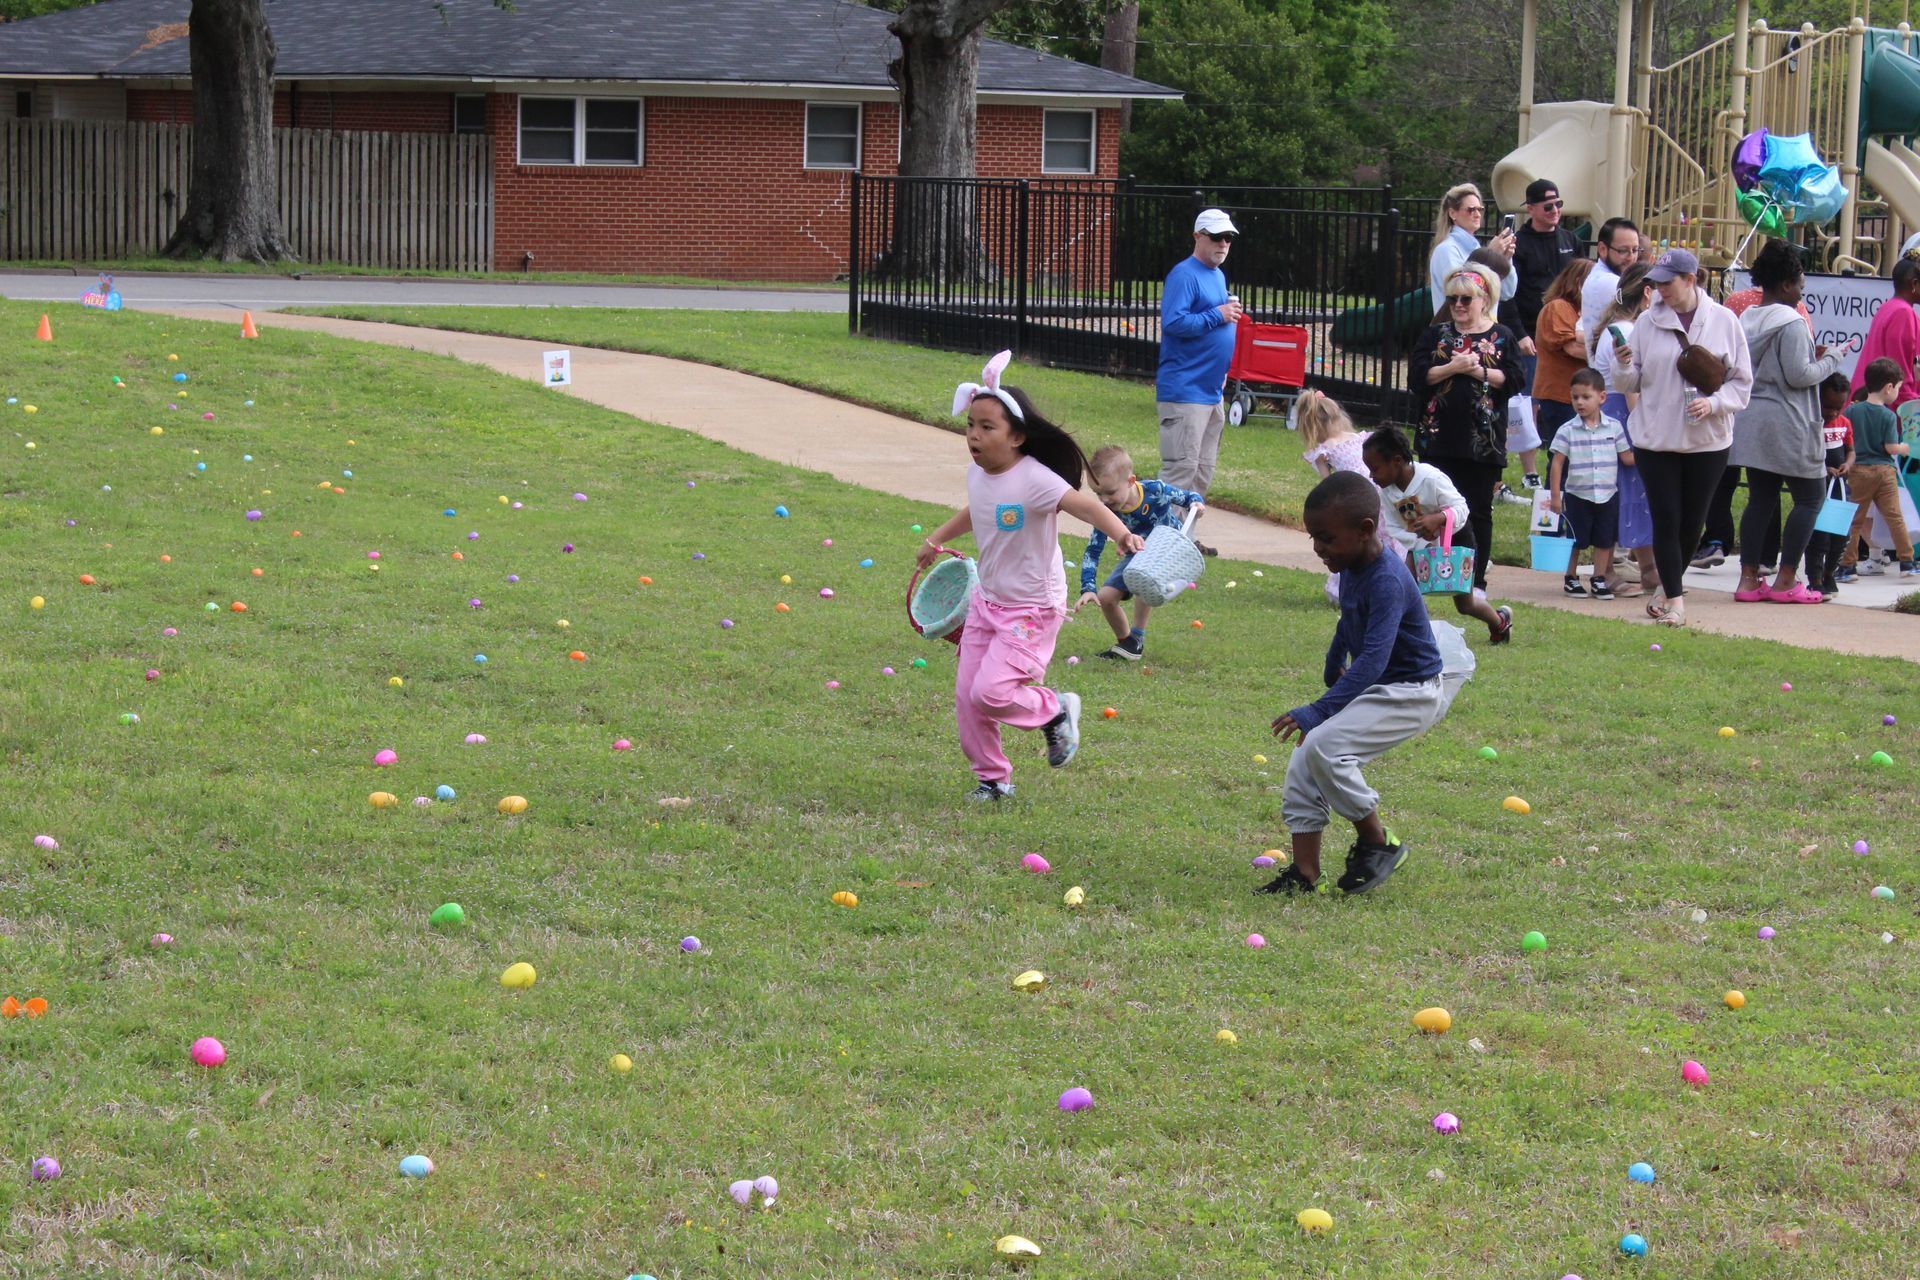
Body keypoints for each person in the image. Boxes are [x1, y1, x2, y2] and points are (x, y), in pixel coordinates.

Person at [916, 351, 1144, 802]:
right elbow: (977, 511)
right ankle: (994, 780)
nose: (974, 436)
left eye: (987, 427)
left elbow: (1086, 505)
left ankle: (1055, 709)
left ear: (1018, 436)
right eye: (970, 425)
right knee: (968, 698)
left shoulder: (1036, 480)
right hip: (988, 600)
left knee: (992, 692)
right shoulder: (979, 473)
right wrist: (936, 539)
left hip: (1031, 608)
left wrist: (1121, 533)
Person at [1260, 471, 1460, 897]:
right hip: (1382, 686)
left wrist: (1318, 709)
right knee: (1303, 761)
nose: (1318, 548)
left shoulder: (1386, 578)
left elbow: (1373, 659)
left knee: (1324, 748)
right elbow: (1350, 619)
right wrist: (1335, 658)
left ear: (1365, 529)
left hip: (1411, 691)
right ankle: (1304, 874)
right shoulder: (1352, 564)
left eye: (1326, 538)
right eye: (1313, 536)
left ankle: (1377, 841)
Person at [1610, 248, 1753, 628]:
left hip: (1708, 441)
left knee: (1693, 522)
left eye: (1667, 282)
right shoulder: (1645, 322)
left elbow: (1741, 383)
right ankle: (1675, 599)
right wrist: (1622, 362)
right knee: (1666, 518)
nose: (1660, 290)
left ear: (1690, 279)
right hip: (1655, 438)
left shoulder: (1725, 321)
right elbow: (1629, 380)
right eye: (1655, 283)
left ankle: (1667, 587)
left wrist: (1716, 404)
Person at [1729, 238, 1849, 604]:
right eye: (1800, 284)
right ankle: (1786, 580)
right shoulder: (1792, 321)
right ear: (1785, 285)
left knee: (1761, 498)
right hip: (1791, 421)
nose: (1801, 291)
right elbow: (1800, 375)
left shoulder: (1747, 318)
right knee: (1810, 498)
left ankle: (1748, 580)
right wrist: (1833, 359)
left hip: (1753, 419)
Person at [1408, 265, 1526, 599]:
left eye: (1465, 298)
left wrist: (1481, 373)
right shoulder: (1436, 334)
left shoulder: (1501, 336)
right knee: (1430, 507)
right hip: (1437, 437)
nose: (1458, 305)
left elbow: (1515, 380)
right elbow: (1417, 378)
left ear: (1484, 298)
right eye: (1452, 299)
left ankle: (1475, 583)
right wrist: (1452, 367)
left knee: (1477, 510)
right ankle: (1429, 574)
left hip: (1482, 442)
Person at [1363, 424, 1514, 642]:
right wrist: (1421, 537)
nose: (1371, 475)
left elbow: (1462, 508)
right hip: (1418, 547)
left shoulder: (1430, 478)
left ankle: (1499, 621)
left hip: (1458, 541)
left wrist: (1439, 519)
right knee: (1406, 589)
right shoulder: (1387, 493)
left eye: (1375, 469)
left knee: (1465, 604)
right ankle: (1410, 637)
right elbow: (1395, 527)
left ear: (1396, 461)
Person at [1157, 207, 1241, 556]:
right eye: (1216, 237)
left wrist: (1226, 311)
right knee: (1180, 470)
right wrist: (1218, 314)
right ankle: (1161, 542)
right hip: (1184, 391)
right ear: (1198, 237)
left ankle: (1185, 538)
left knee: (1202, 472)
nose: (1223, 244)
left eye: (1229, 238)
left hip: (1210, 392)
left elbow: (1211, 320)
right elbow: (1174, 323)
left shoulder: (1216, 276)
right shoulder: (1184, 275)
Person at [1076, 445, 1204, 661]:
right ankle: (1128, 644)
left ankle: (1138, 634)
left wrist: (1197, 505)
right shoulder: (1106, 513)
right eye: (1098, 494)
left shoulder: (1156, 491)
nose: (1104, 500)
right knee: (1106, 598)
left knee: (1146, 579)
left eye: (1110, 492)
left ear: (1131, 481)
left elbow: (1189, 496)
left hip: (1168, 551)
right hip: (1138, 554)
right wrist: (1087, 587)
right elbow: (1093, 549)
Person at [1588, 262, 1658, 596]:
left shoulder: (1614, 327)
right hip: (1624, 418)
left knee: (1632, 495)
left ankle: (1648, 569)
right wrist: (1644, 426)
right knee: (1626, 495)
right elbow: (1631, 388)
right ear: (1647, 293)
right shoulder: (1629, 332)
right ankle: (1610, 571)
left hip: (1612, 416)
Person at [1549, 369, 1635, 599]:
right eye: (1575, 397)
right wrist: (1556, 496)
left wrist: (1650, 452)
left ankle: (1599, 579)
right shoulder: (1567, 430)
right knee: (1576, 540)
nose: (1579, 402)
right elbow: (1557, 463)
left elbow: (1627, 457)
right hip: (1578, 495)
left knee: (1605, 540)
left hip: (1607, 494)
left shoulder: (1614, 427)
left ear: (1602, 397)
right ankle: (1571, 577)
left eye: (1586, 397)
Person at [1834, 357, 1917, 581]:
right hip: (1885, 471)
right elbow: (1889, 447)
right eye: (1898, 388)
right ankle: (1907, 562)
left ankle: (1847, 566)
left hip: (1859, 471)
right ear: (1889, 387)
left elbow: (1845, 439)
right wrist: (1904, 448)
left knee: (1854, 520)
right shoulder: (1888, 415)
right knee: (1895, 517)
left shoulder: (1852, 412)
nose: (1898, 393)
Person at [1295, 388, 1375, 603]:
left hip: (1353, 499)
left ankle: (1343, 590)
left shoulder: (1324, 451)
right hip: (1377, 495)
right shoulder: (1359, 438)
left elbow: (1329, 485)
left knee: (1348, 545)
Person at [1502, 178, 1584, 385]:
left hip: (1568, 334)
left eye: (1559, 204)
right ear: (1531, 209)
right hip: (1532, 336)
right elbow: (1506, 294)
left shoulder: (1571, 240)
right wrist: (1519, 335)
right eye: (1548, 206)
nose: (1555, 210)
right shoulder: (1518, 244)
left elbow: (1584, 286)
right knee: (1531, 402)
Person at [1532, 257, 1597, 470]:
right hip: (1560, 394)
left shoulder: (1580, 311)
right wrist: (1606, 354)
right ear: (1578, 282)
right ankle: (1553, 499)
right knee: (1563, 456)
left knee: (1577, 457)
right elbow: (1572, 348)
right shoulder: (1558, 307)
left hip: (1577, 394)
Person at [1802, 373, 1856, 597]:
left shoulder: (1844, 423)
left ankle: (1829, 573)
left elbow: (1851, 450)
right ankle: (1814, 579)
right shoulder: (1812, 423)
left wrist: (1847, 464)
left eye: (1838, 407)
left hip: (1840, 489)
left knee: (1839, 536)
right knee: (1819, 537)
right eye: (1828, 406)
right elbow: (1805, 452)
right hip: (1819, 488)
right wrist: (1823, 468)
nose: (1833, 412)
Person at [1428, 183, 1518, 313]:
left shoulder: (1475, 247)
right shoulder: (1447, 250)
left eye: (1479, 209)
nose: (1477, 215)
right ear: (1453, 213)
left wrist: (1504, 259)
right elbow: (1462, 292)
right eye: (1471, 210)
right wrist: (1491, 255)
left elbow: (1507, 293)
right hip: (1457, 330)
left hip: (1484, 328)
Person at [1852, 258, 1920, 404]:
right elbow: (1898, 376)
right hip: (1886, 407)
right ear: (1914, 284)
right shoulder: (1903, 313)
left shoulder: (1890, 307)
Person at [1580, 217, 1641, 335]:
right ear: (1602, 249)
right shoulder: (1610, 282)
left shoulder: (1599, 275)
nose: (1631, 257)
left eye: (1635, 250)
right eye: (1623, 250)